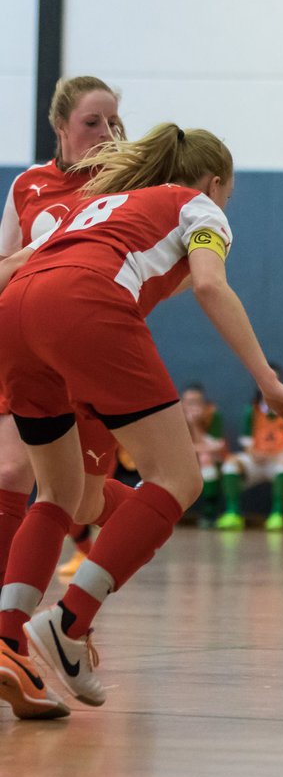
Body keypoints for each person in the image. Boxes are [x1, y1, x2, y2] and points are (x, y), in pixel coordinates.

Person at [0, 123, 283, 717]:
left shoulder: (99, 205)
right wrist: (267, 379)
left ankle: (7, 635)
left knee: (61, 494)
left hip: (15, 311)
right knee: (179, 479)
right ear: (218, 182)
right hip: (82, 309)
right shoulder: (198, 207)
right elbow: (210, 286)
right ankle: (69, 623)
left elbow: (23, 265)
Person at [0, 76, 128, 589]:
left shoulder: (127, 184)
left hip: (90, 351)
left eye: (113, 122)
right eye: (92, 123)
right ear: (60, 126)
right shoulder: (27, 185)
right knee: (11, 475)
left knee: (81, 499)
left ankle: (155, 504)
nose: (105, 132)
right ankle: (8, 628)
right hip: (23, 345)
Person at [216, 364, 283, 532]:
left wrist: (272, 456)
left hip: (280, 459)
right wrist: (256, 454)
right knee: (230, 464)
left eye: (275, 380)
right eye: (265, 380)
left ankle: (277, 515)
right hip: (258, 460)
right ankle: (233, 513)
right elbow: (247, 444)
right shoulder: (252, 410)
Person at [181, 383, 227, 528]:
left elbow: (215, 447)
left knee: (206, 458)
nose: (193, 407)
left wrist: (195, 426)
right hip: (184, 460)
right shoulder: (176, 417)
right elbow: (176, 448)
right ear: (182, 403)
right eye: (189, 402)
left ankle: (210, 511)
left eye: (197, 402)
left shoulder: (213, 415)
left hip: (211, 460)